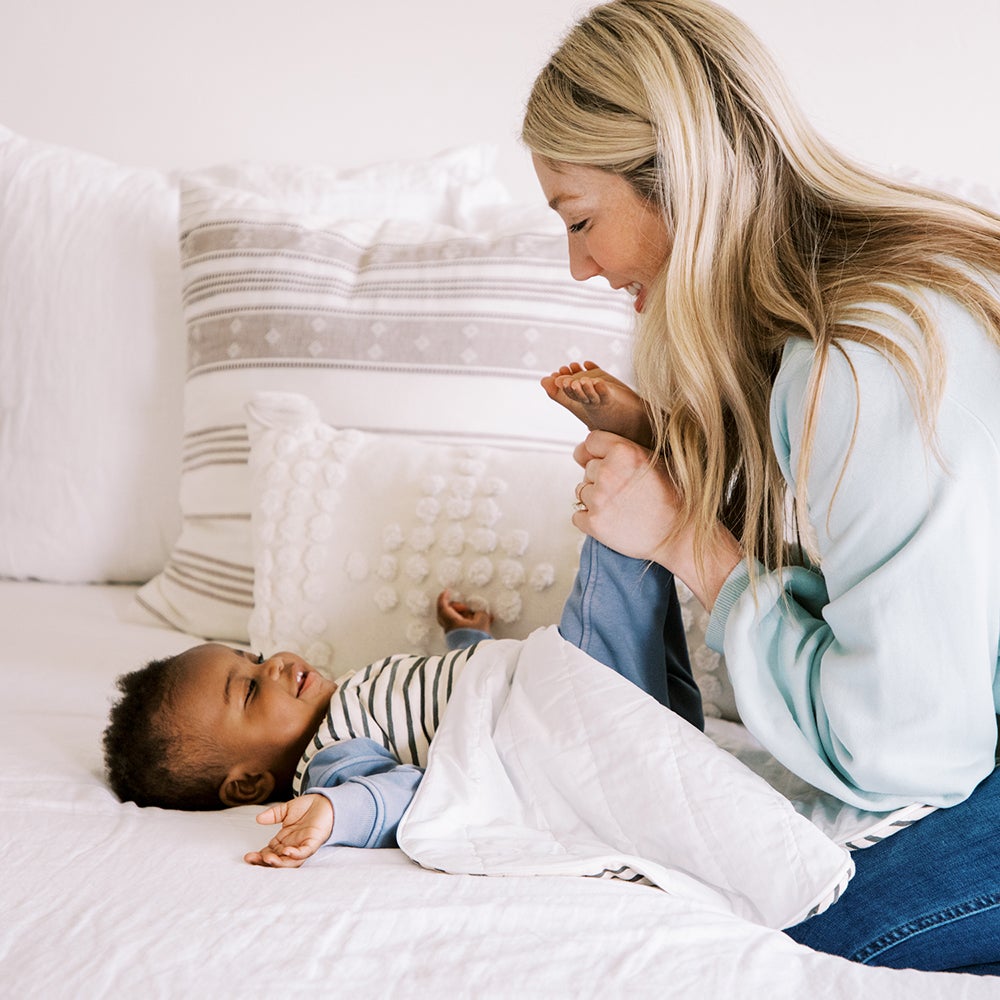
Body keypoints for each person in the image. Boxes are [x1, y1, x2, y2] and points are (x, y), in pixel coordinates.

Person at [522, 0, 1000, 976]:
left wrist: (688, 542)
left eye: (580, 220)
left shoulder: (859, 360)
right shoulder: (856, 309)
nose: (579, 267)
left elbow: (909, 749)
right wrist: (679, 470)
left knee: (750, 931)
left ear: (680, 177)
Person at [102, 535, 702, 867]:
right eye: (252, 688)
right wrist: (335, 812)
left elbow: (464, 696)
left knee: (649, 603)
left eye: (254, 656)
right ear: (249, 785)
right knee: (619, 545)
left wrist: (468, 641)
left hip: (611, 715)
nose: (275, 663)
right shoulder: (330, 755)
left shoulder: (354, 695)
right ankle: (640, 474)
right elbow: (406, 793)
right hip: (581, 724)